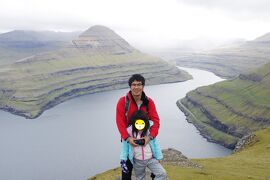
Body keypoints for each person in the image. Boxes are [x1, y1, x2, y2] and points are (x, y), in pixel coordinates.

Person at [116, 74, 160, 180]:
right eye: (133, 84)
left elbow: (156, 121)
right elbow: (120, 122)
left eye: (139, 84)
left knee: (156, 172)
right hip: (129, 141)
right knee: (126, 172)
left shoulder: (149, 102)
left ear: (143, 86)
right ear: (130, 86)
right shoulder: (123, 102)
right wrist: (127, 138)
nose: (136, 87)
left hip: (146, 141)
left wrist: (149, 137)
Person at [120, 110, 167, 180]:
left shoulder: (149, 131)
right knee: (140, 178)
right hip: (137, 161)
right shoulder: (129, 133)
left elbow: (155, 144)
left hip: (151, 159)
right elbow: (124, 148)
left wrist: (158, 157)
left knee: (162, 174)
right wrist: (123, 160)